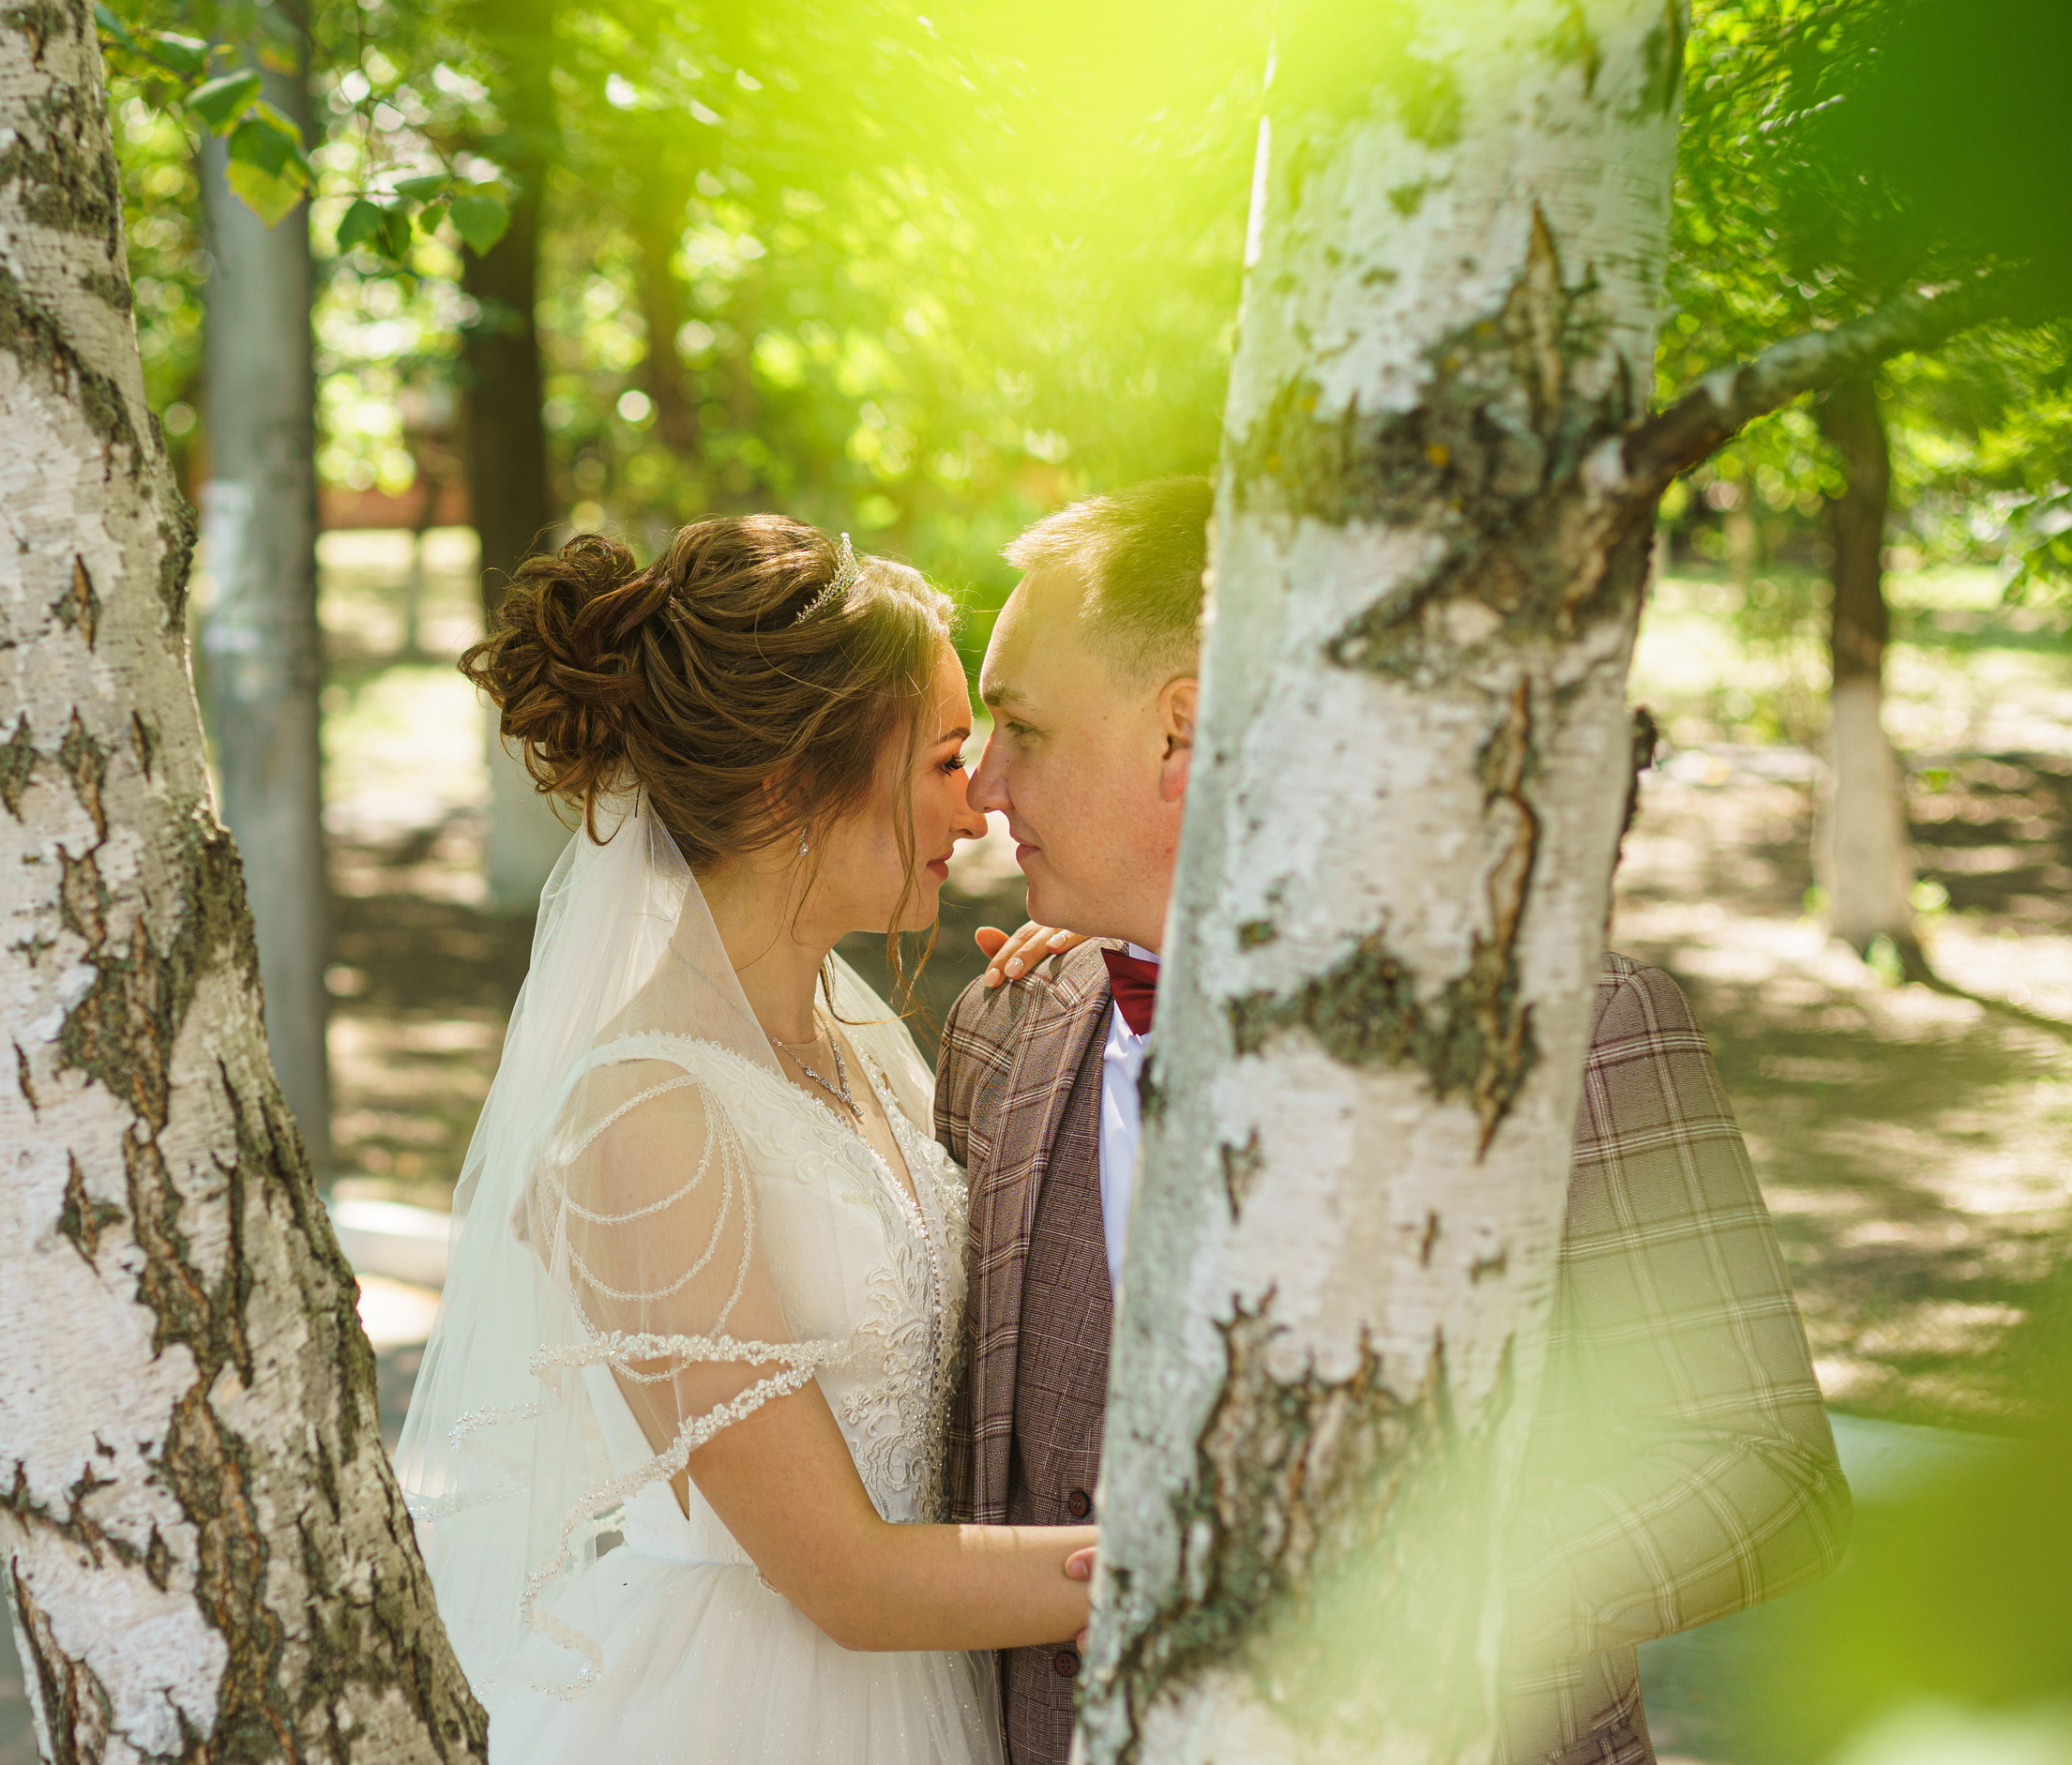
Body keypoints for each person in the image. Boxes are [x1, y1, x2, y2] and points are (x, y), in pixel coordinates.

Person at [941, 476, 1853, 1765]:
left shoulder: (1568, 1030)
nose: (983, 782)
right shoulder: (1007, 1030)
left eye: (1020, 727)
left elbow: (1764, 1471)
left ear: (1179, 736)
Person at [395, 516, 1091, 1765]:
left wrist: (1073, 994)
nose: (978, 806)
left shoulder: (865, 1047)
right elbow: (846, 1578)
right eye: (941, 762)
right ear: (788, 788)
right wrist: (1205, 1565)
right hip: (754, 1711)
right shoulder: (639, 1118)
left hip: (935, 1678)